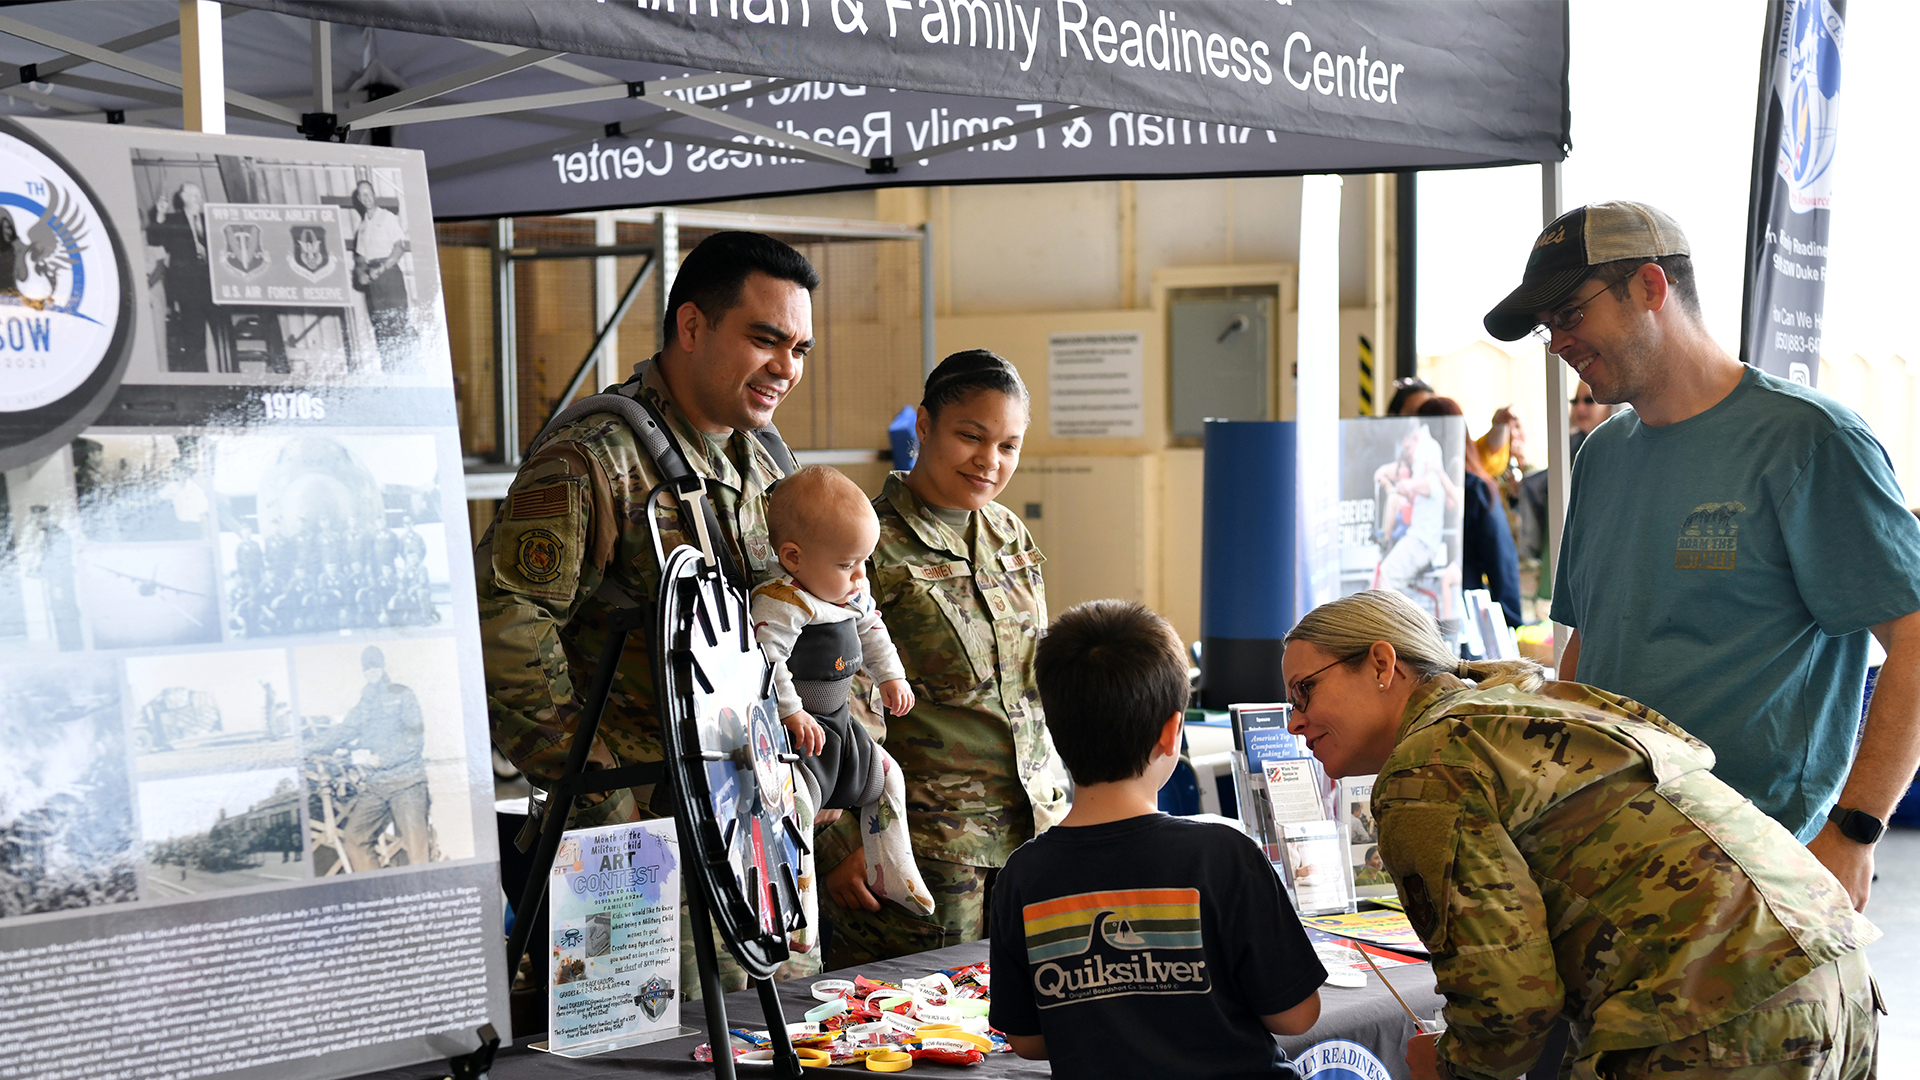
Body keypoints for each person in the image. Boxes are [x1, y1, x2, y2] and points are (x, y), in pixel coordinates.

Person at [1483, 200, 1920, 909]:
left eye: (1570, 314)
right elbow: (1585, 649)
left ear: (1652, 289)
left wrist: (1855, 831)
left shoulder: (1808, 440)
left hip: (1757, 881)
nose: (1558, 342)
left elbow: (1914, 637)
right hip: (1605, 867)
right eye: (1547, 327)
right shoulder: (1601, 456)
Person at [1282, 589, 1880, 1080]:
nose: (1293, 720)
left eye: (1305, 689)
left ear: (1384, 665)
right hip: (1837, 976)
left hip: (1716, 1013)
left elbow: (1509, 1008)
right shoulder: (1527, 702)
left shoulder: (1428, 766)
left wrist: (1446, 1068)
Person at [478, 230, 817, 991]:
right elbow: (507, 626)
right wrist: (596, 793)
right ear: (691, 326)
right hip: (642, 848)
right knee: (653, 1054)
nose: (785, 369)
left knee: (778, 1041)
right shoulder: (595, 456)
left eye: (799, 349)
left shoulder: (766, 459)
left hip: (754, 834)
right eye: (766, 341)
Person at [990, 599, 1325, 1079]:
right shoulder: (1224, 856)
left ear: (1053, 731)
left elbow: (1026, 1040)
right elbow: (1296, 1016)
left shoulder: (1022, 876)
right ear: (1172, 733)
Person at [817, 350, 1067, 966]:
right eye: (970, 436)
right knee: (913, 1035)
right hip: (919, 854)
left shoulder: (1009, 533)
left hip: (1032, 841)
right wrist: (840, 841)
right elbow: (824, 705)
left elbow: (1030, 689)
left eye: (1009, 446)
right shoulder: (865, 543)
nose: (990, 461)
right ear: (924, 426)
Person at [749, 464, 932, 915]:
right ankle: (798, 903)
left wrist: (892, 677)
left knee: (888, 777)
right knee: (796, 810)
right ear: (793, 558)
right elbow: (766, 661)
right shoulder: (784, 600)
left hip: (839, 725)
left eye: (864, 562)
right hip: (797, 737)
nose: (859, 578)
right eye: (847, 564)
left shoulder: (847, 593)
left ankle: (891, 866)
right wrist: (790, 713)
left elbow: (874, 631)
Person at [306, 645, 431, 870]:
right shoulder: (364, 705)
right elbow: (343, 731)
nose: (372, 672)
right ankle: (379, 893)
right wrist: (304, 747)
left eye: (375, 666)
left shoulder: (403, 694)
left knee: (417, 851)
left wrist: (381, 759)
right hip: (376, 787)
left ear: (383, 668)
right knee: (355, 839)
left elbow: (414, 741)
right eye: (368, 668)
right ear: (363, 672)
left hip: (407, 783)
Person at [1417, 397, 1522, 627]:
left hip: (1416, 617)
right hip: (1462, 619)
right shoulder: (1474, 488)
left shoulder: (1413, 487)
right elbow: (1500, 560)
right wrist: (1512, 625)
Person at [1518, 381, 1613, 562]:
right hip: (1560, 558)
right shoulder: (1568, 448)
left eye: (1589, 400)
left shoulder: (1618, 452)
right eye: (1575, 401)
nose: (1580, 408)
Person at [145, 183, 213, 372]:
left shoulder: (211, 219)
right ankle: (199, 376)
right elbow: (154, 239)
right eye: (193, 196)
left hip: (214, 286)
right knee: (194, 334)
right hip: (188, 287)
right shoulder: (173, 220)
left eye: (199, 195)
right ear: (183, 198)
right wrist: (159, 215)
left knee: (221, 333)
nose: (198, 199)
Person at [349, 180, 412, 372]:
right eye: (363, 195)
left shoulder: (387, 218)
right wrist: (361, 273)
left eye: (369, 194)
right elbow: (360, 258)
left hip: (389, 274)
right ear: (359, 199)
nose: (367, 198)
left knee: (398, 325)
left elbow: (399, 248)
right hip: (373, 281)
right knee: (381, 328)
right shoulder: (362, 227)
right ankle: (389, 372)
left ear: (374, 194)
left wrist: (382, 269)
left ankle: (406, 371)